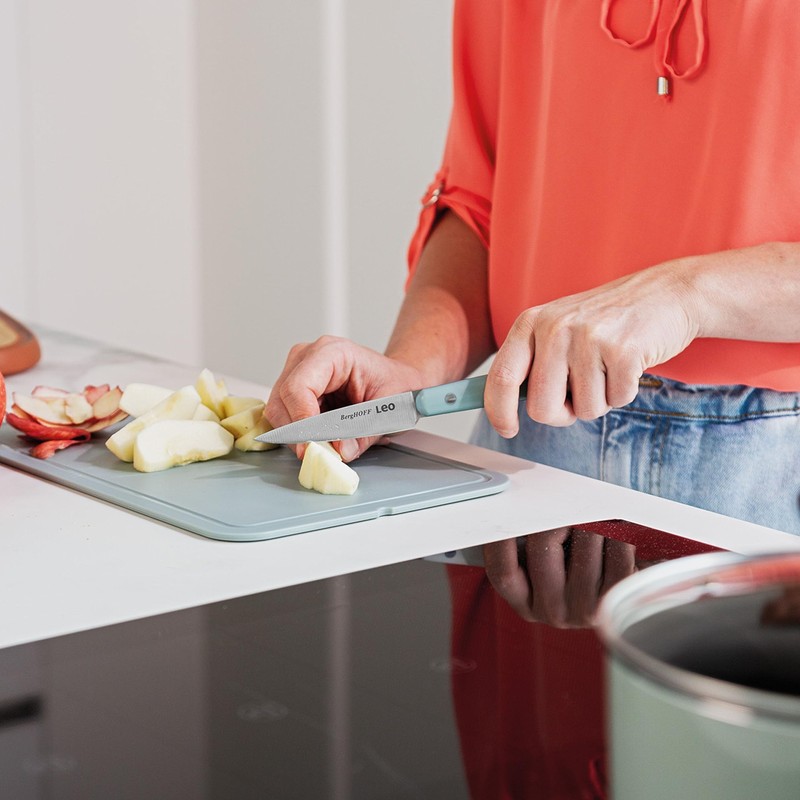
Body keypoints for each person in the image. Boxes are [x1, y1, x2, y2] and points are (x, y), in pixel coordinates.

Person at [266, 1, 800, 535]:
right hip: (526, 431)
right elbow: (481, 203)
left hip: (772, 464)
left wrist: (684, 295)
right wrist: (412, 371)